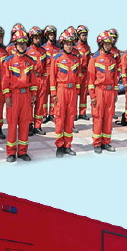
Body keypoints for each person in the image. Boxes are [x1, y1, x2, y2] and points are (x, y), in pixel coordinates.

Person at [2, 30, 36, 162]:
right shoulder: (9, 61)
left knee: (24, 125)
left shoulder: (30, 61)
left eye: (24, 43)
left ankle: (22, 151)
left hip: (26, 96)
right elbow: (5, 80)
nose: (22, 46)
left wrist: (33, 94)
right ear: (15, 45)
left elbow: (33, 80)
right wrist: (7, 96)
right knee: (12, 125)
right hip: (14, 96)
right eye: (19, 44)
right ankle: (11, 152)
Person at [50, 28, 81, 157]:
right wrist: (54, 93)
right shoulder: (57, 58)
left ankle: (68, 145)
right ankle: (59, 146)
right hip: (61, 90)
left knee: (70, 118)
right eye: (67, 44)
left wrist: (77, 92)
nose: (69, 46)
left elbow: (78, 77)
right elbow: (52, 77)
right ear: (62, 44)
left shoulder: (76, 59)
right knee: (60, 118)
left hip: (72, 91)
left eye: (71, 44)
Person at [88, 31, 118, 153]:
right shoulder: (94, 59)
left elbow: (115, 78)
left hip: (110, 92)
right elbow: (91, 79)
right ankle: (97, 143)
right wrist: (93, 95)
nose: (108, 46)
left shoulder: (112, 59)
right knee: (98, 117)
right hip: (99, 91)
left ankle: (106, 142)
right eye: (106, 44)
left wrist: (115, 93)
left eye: (109, 44)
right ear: (101, 44)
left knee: (108, 118)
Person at [27, 26, 49, 135]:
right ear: (31, 38)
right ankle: (29, 125)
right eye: (35, 38)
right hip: (31, 79)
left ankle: (38, 126)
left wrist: (44, 78)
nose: (37, 40)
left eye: (39, 38)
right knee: (30, 103)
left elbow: (46, 66)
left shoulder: (43, 51)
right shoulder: (27, 51)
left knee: (40, 104)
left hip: (41, 79)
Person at [75, 25, 91, 120]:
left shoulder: (87, 48)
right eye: (83, 35)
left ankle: (82, 113)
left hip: (85, 73)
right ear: (78, 35)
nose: (84, 37)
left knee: (84, 93)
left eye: (85, 35)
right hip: (77, 73)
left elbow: (89, 61)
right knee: (74, 94)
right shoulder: (75, 47)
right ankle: (74, 113)